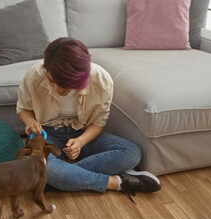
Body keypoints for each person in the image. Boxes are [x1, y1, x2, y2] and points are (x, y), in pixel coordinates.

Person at [16, 37, 160, 203]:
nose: (56, 88)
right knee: (41, 164)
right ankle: (117, 182)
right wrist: (30, 122)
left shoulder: (102, 80)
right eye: (51, 81)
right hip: (46, 134)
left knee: (132, 153)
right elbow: (23, 109)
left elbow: (98, 123)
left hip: (82, 132)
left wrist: (80, 142)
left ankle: (54, 178)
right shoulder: (34, 75)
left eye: (64, 85)